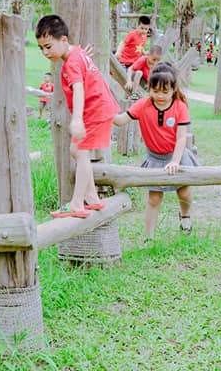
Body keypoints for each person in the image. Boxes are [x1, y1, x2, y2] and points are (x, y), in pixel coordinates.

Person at [36, 15, 118, 218]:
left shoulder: (71, 62)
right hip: (100, 109)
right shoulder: (77, 53)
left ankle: (77, 202)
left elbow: (79, 89)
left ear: (64, 40)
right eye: (41, 48)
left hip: (95, 111)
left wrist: (77, 119)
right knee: (77, 150)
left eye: (48, 46)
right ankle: (92, 197)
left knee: (80, 153)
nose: (45, 52)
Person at [113, 65, 197, 237]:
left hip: (177, 155)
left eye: (165, 92)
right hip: (155, 158)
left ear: (173, 90)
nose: (160, 96)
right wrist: (101, 109)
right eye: (155, 91)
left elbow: (181, 138)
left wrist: (175, 161)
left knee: (184, 192)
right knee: (154, 198)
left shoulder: (179, 107)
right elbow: (120, 120)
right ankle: (148, 237)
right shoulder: (143, 105)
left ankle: (185, 217)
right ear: (149, 88)